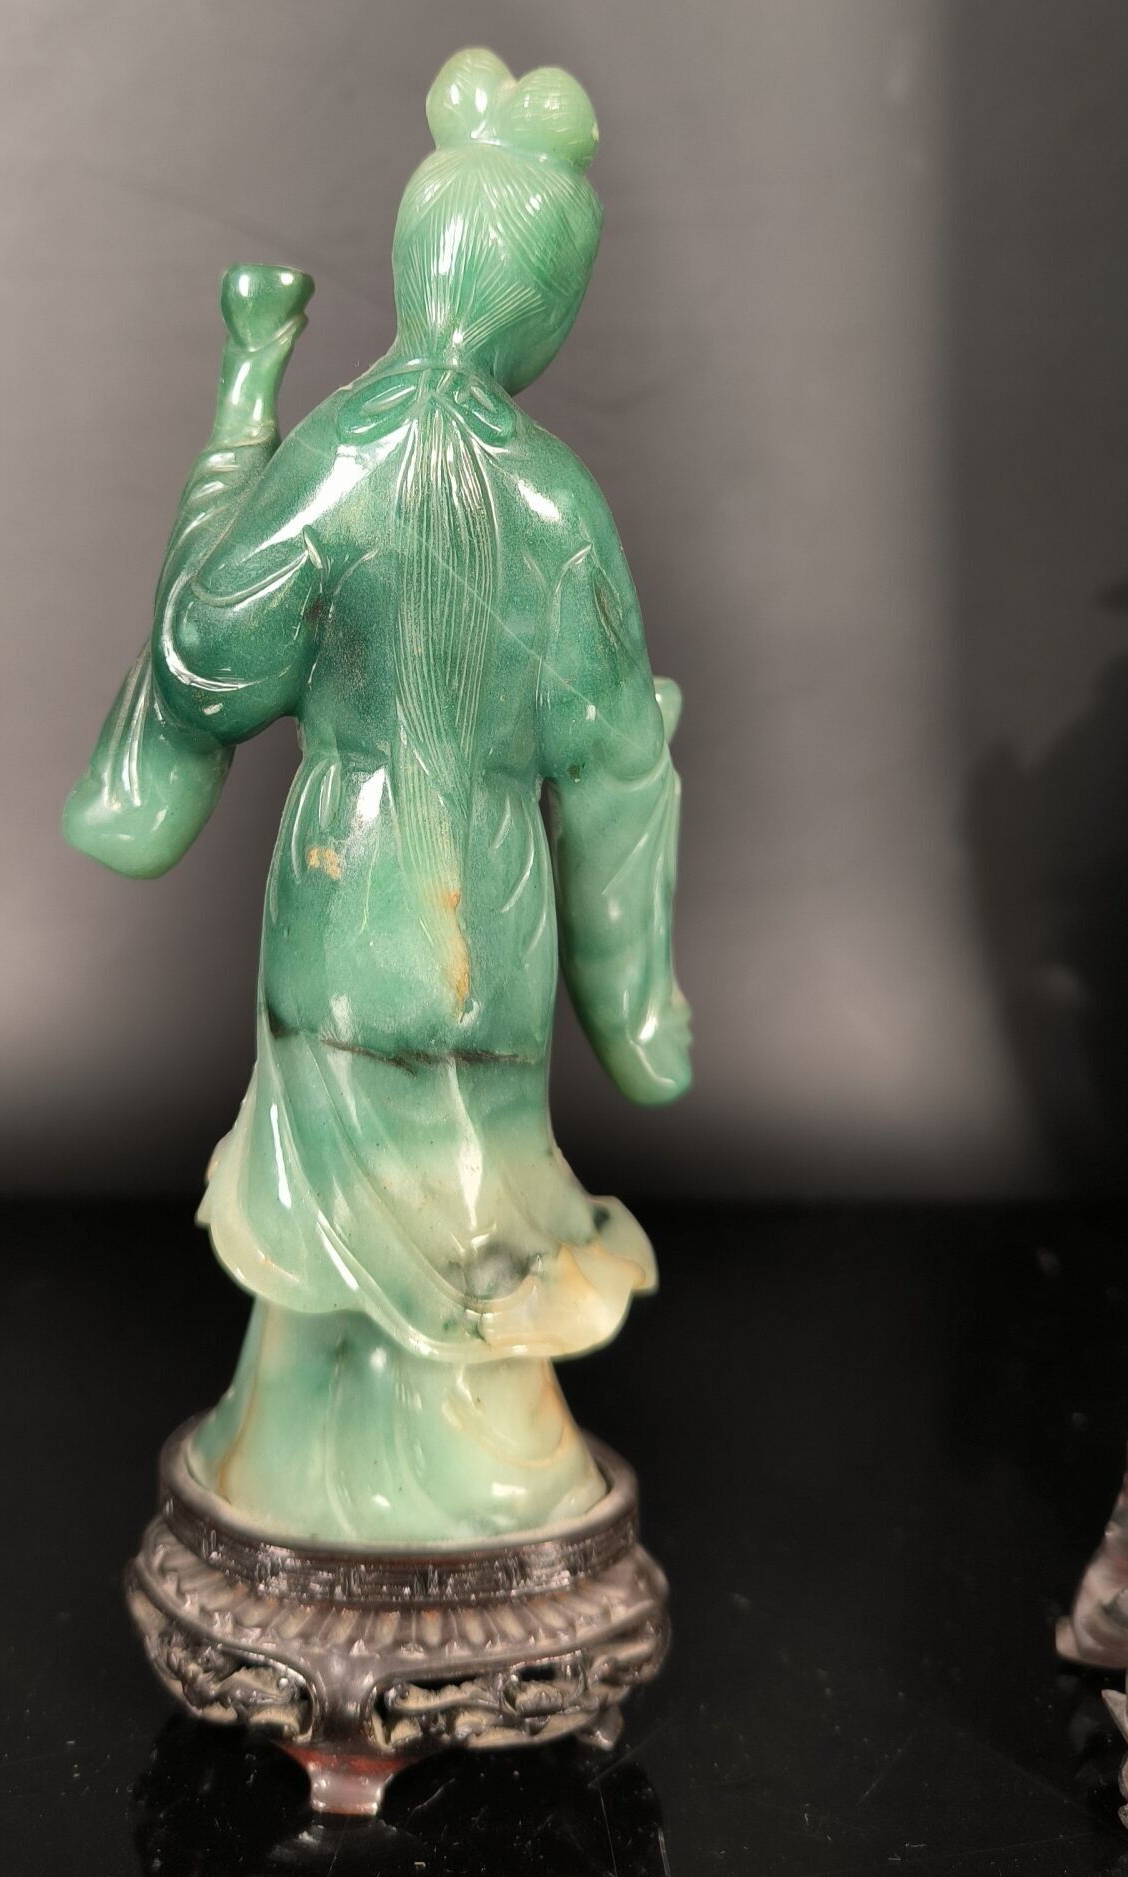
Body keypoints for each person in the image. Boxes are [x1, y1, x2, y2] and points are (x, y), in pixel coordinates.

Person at [66, 48, 691, 1543]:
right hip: (491, 897)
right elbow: (614, 766)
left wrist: (242, 412)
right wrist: (637, 1001)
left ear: (417, 265)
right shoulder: (556, 501)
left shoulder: (333, 459)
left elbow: (206, 658)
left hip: (341, 884)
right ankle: (490, 1483)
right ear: (545, 302)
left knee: (326, 1172)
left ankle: (285, 1462)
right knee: (470, 1179)